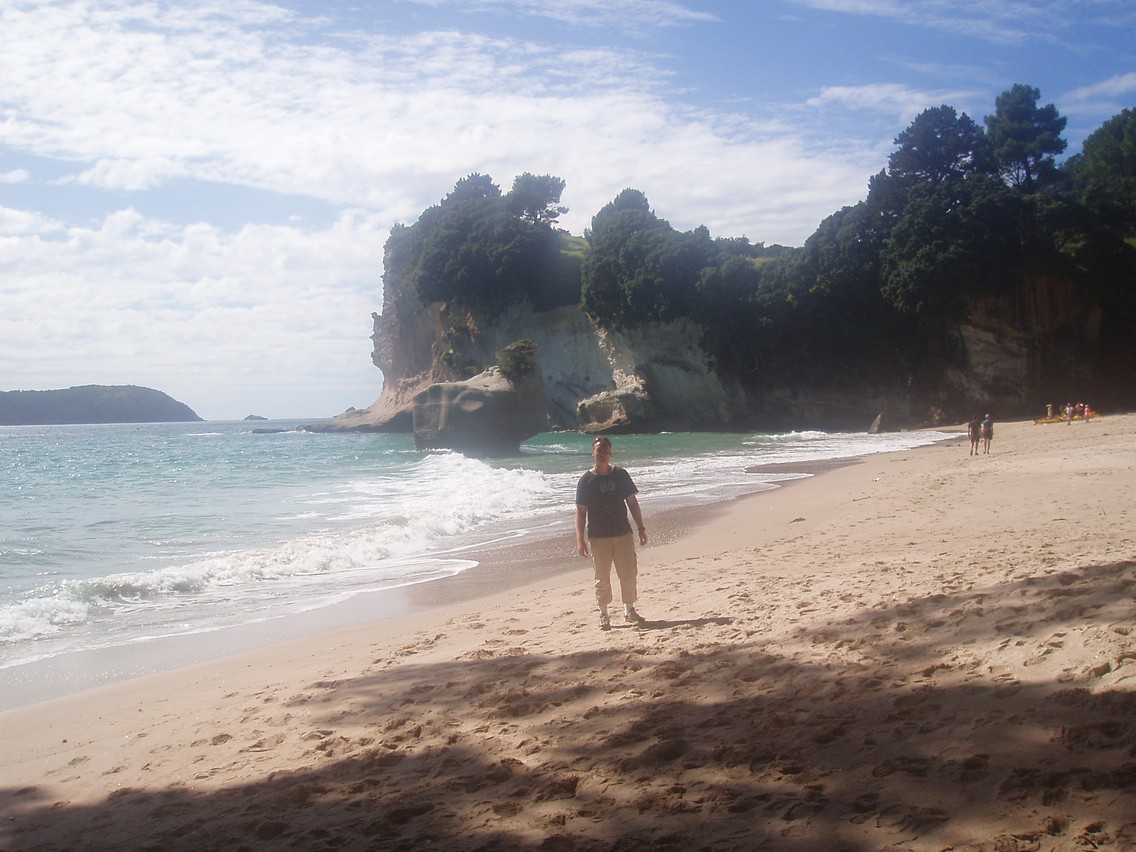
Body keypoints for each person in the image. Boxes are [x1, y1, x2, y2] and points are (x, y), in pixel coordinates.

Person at [575, 435, 649, 631]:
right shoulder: (586, 481)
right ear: (593, 453)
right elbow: (581, 512)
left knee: (628, 573)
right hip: (598, 536)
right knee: (602, 577)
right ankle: (604, 614)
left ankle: (629, 610)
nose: (602, 453)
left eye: (606, 450)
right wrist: (580, 540)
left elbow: (632, 503)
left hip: (622, 532)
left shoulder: (621, 475)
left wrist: (641, 528)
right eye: (599, 450)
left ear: (610, 453)